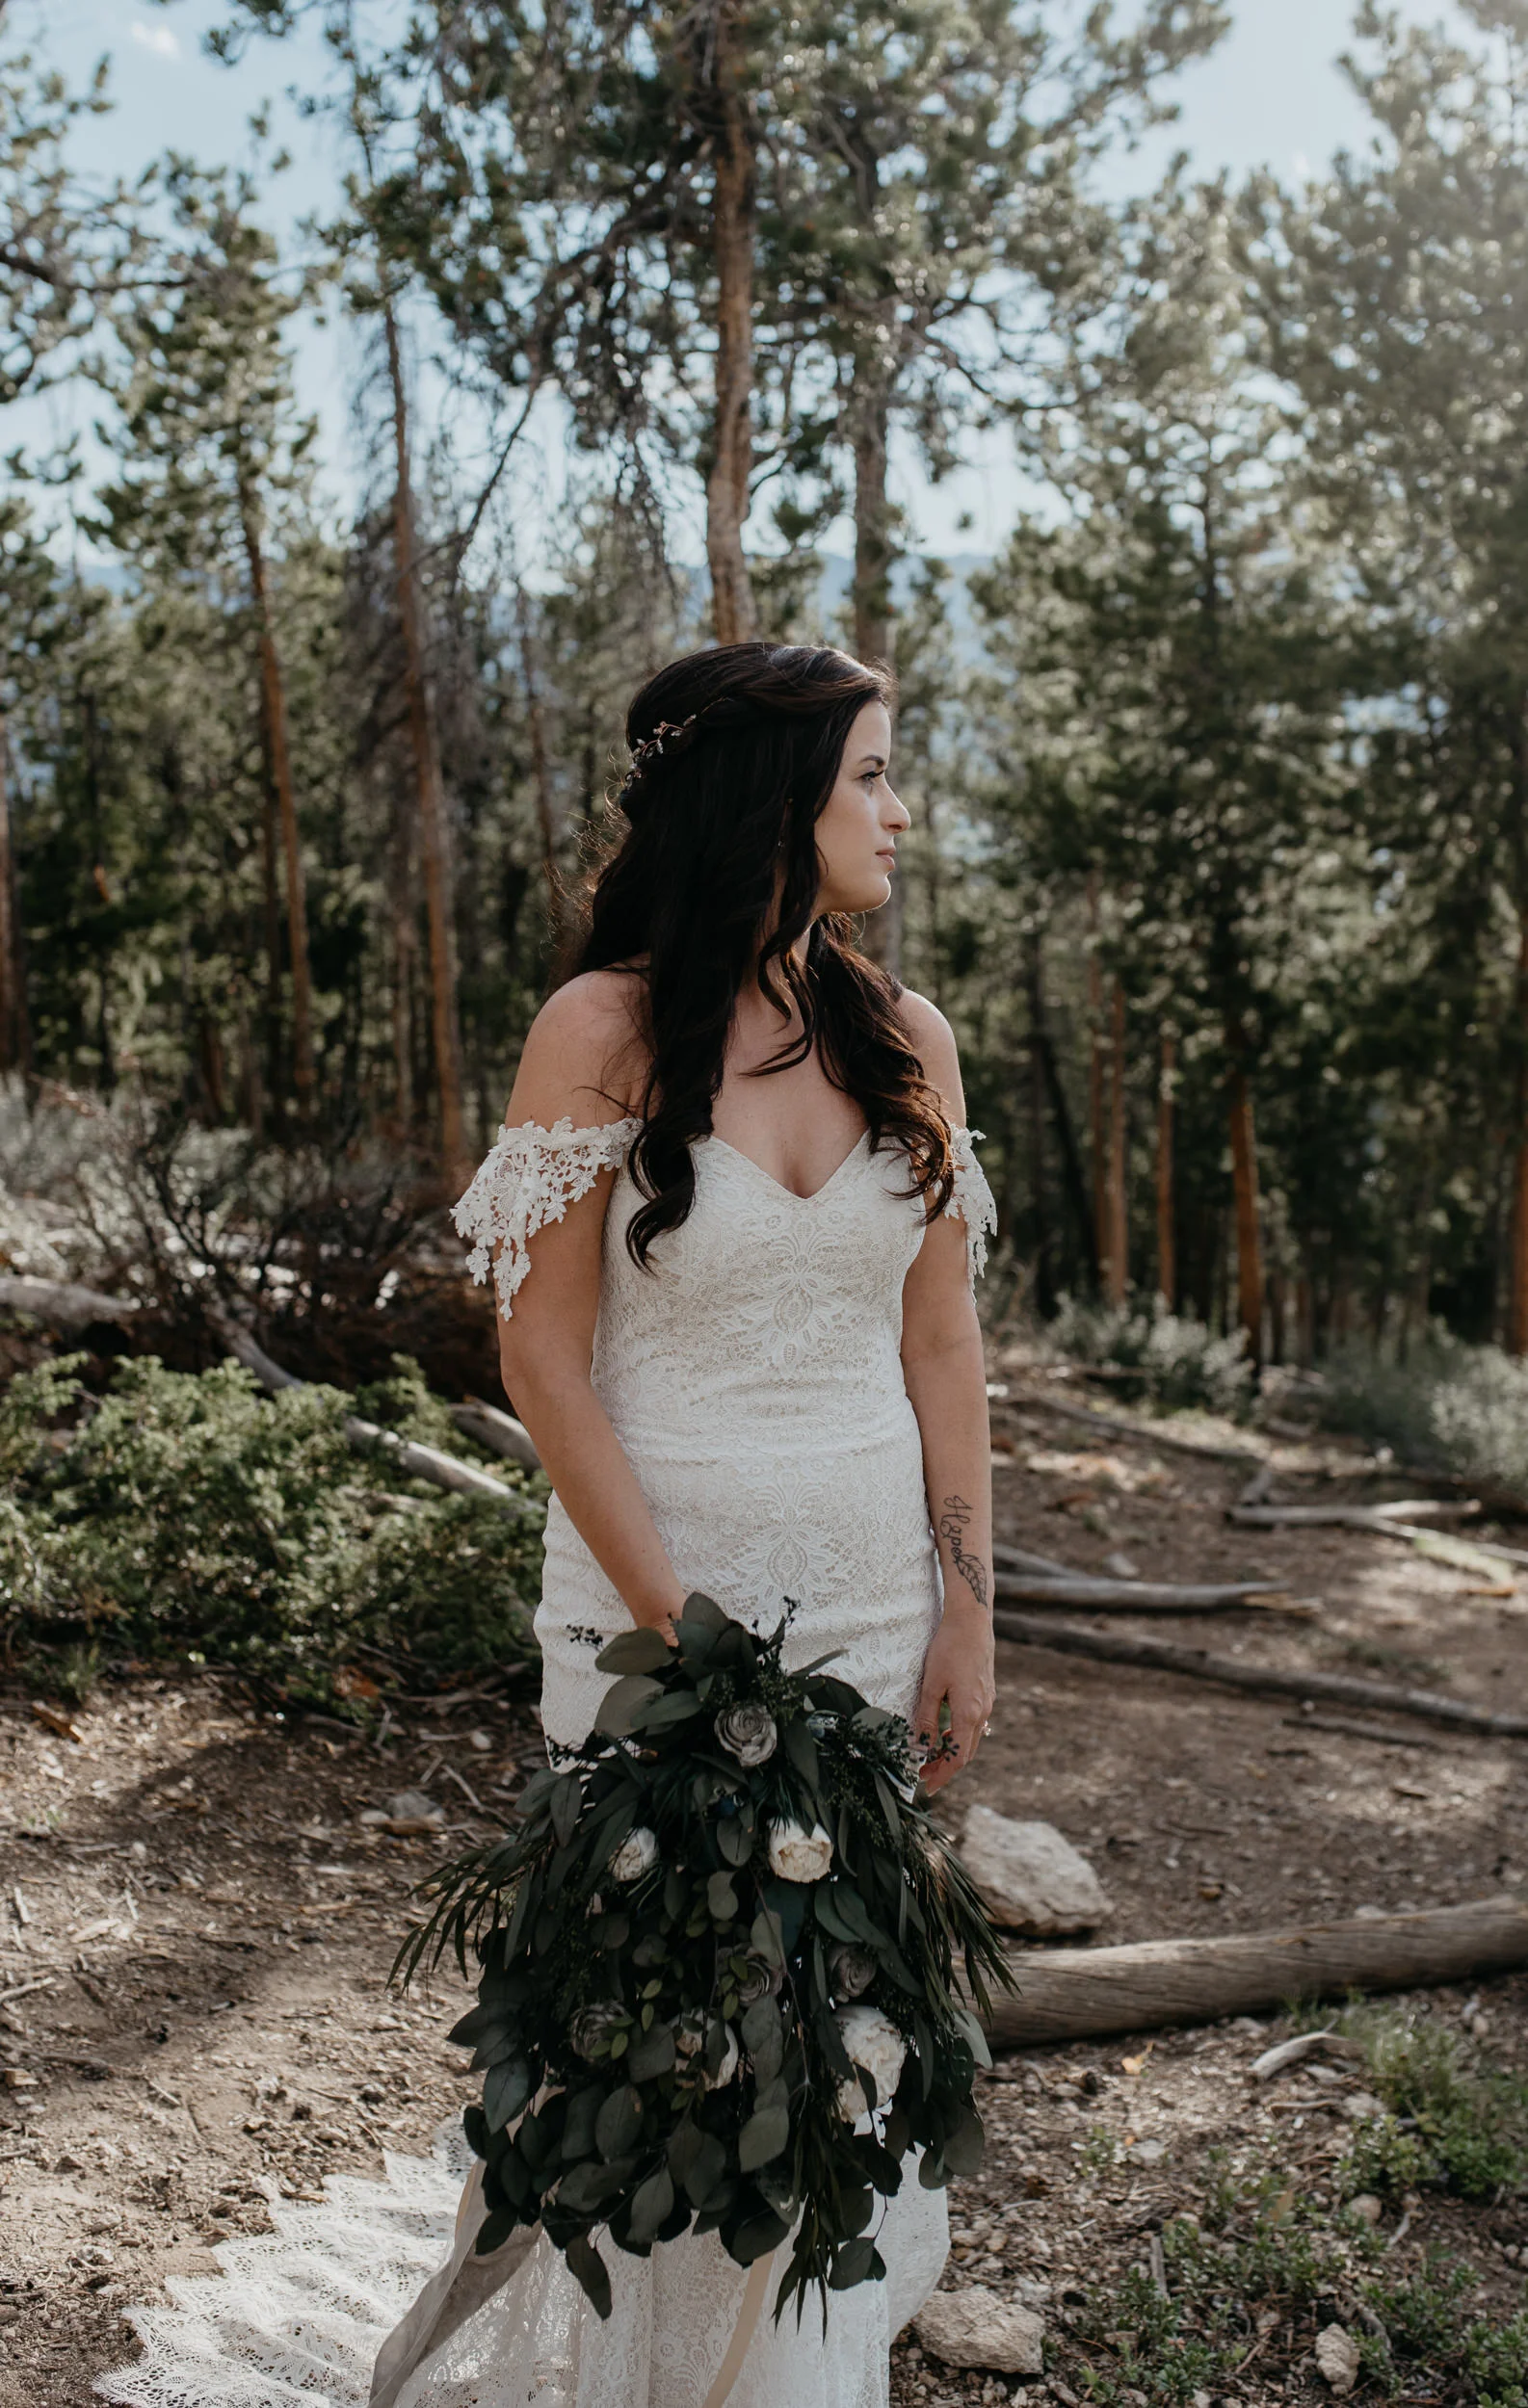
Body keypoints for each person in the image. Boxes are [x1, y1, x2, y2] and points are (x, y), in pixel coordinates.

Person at [96, 641, 997, 2408]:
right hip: (655, 1606)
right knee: (668, 2027)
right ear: (772, 799)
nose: (899, 810)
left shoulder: (907, 1039)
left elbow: (943, 1338)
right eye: (870, 774)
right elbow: (544, 1355)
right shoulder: (599, 1032)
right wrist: (684, 1627)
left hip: (874, 1596)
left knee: (837, 2027)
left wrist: (971, 1605)